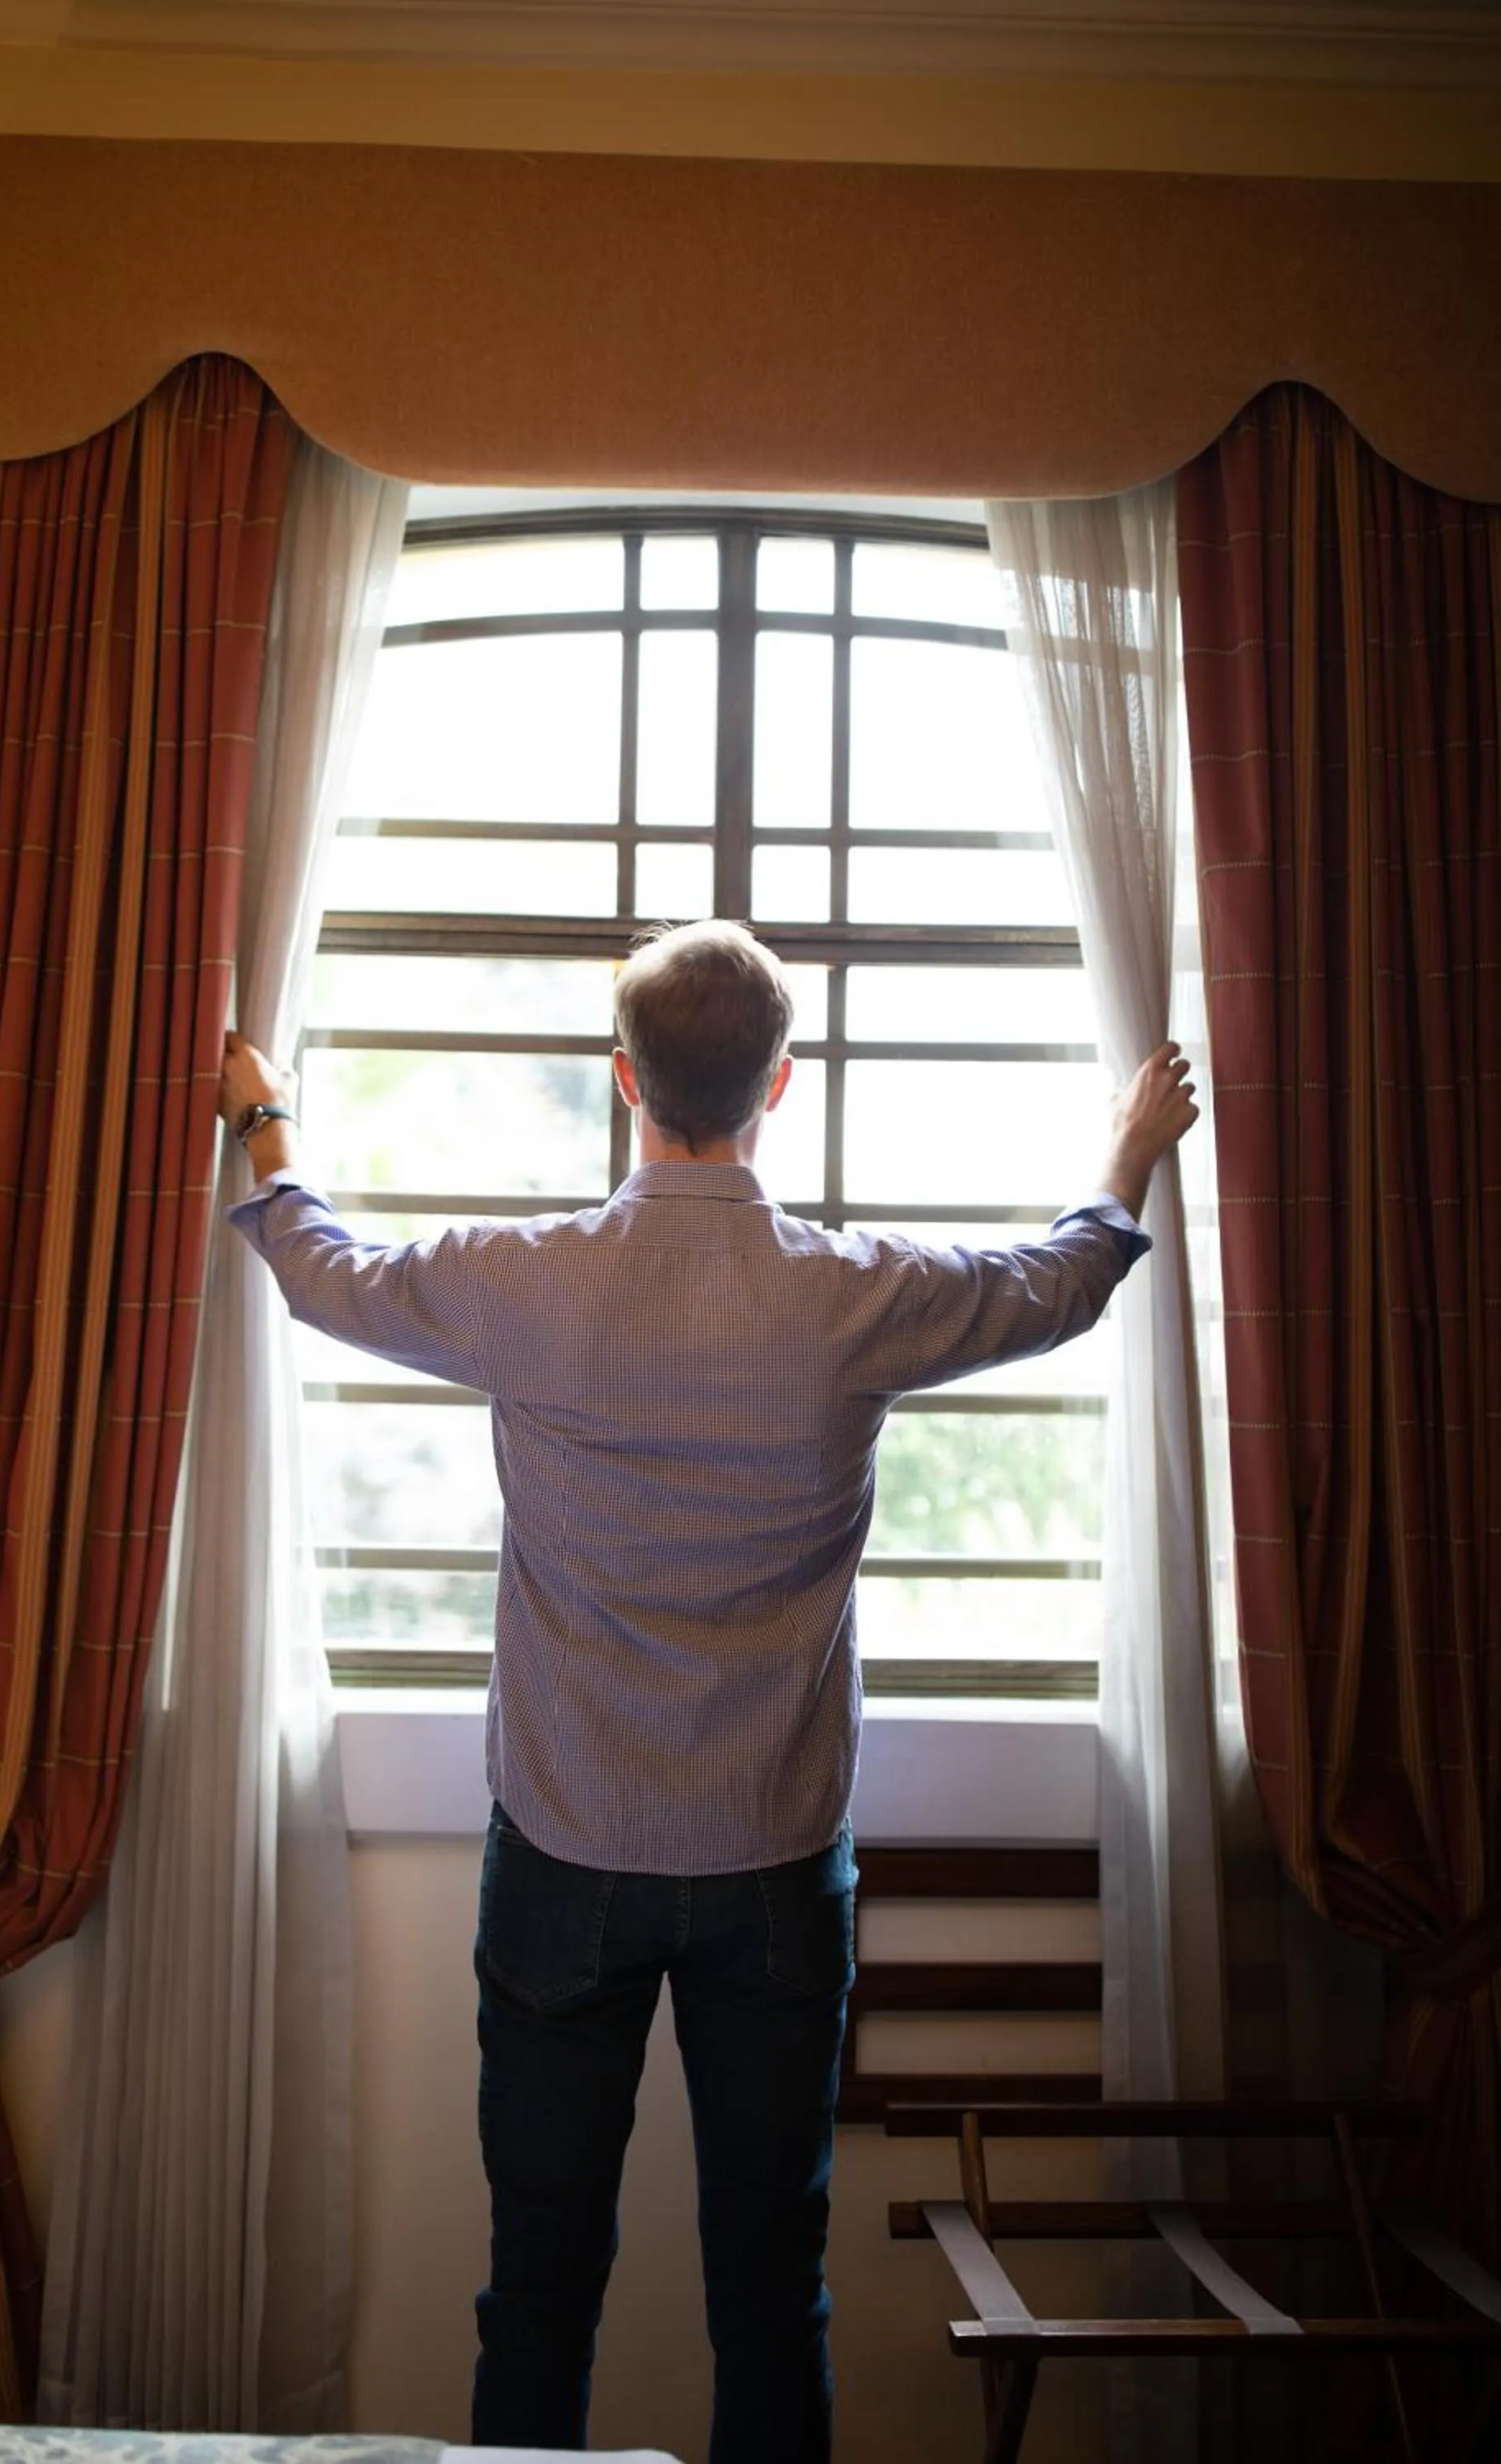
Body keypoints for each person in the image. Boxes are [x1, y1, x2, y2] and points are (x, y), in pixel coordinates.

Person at [219, 918, 1197, 2464]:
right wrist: (1128, 1145)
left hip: (562, 1853)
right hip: (771, 1868)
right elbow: (1061, 1280)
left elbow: (319, 1266)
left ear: (625, 1082)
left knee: (536, 2289)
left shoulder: (525, 1282)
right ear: (781, 1086)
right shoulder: (856, 1295)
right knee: (772, 2289)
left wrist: (264, 1116)